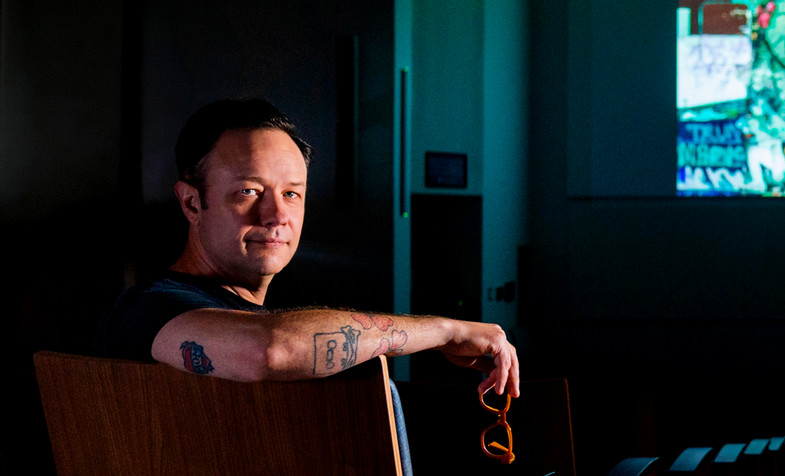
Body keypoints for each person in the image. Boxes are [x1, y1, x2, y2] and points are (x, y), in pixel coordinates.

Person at [95, 98, 519, 399]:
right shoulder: (147, 310)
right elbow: (269, 350)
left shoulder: (266, 314)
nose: (276, 215)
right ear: (191, 202)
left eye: (292, 194)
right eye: (248, 191)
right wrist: (446, 331)